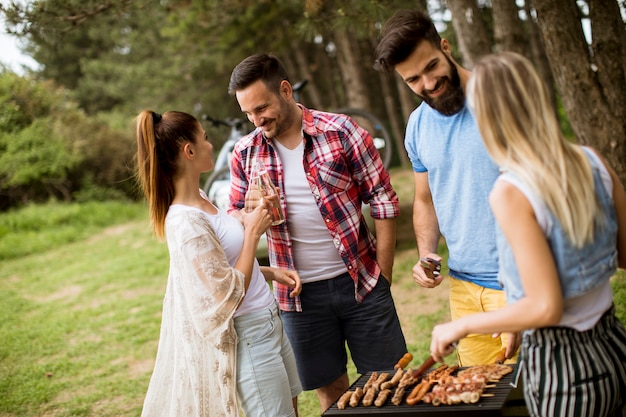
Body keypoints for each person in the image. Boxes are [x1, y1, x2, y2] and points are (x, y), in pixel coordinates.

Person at [430, 51, 626, 417]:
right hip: (614, 347)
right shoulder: (592, 160)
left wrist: (461, 325)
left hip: (565, 371)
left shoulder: (511, 192)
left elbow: (546, 306)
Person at [226, 53, 408, 412]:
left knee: (390, 388)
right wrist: (250, 214)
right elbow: (233, 215)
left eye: (262, 108)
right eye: (248, 114)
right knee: (332, 397)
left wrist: (383, 274)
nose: (256, 120)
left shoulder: (342, 131)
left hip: (363, 285)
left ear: (285, 89)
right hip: (298, 299)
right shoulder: (244, 153)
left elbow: (383, 200)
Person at [374, 9, 519, 366]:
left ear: (446, 46)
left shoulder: (501, 99)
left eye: (431, 67)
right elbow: (425, 199)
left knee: (536, 397)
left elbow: (540, 195)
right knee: (481, 397)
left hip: (519, 282)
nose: (428, 83)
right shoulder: (418, 126)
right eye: (413, 80)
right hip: (464, 287)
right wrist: (426, 254)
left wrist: (522, 294)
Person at [134, 110, 302, 417]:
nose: (211, 145)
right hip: (249, 336)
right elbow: (222, 295)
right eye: (206, 138)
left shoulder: (201, 199)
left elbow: (219, 272)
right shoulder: (185, 223)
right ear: (189, 150)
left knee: (291, 406)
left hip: (269, 321)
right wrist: (252, 232)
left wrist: (270, 272)